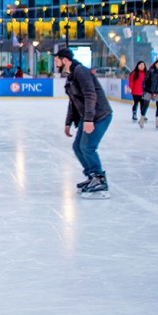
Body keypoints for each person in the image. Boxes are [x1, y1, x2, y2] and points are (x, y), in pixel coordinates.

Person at [54, 47, 113, 200]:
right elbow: (73, 102)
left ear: (65, 60)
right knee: (78, 147)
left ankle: (99, 179)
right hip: (87, 116)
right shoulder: (71, 75)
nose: (55, 64)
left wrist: (88, 119)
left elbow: (90, 94)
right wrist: (68, 123)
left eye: (57, 61)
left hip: (99, 115)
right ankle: (92, 176)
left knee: (87, 147)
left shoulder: (81, 71)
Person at [139, 58, 158, 130]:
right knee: (146, 105)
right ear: (155, 64)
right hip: (149, 91)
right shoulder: (151, 71)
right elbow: (145, 81)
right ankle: (142, 120)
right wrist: (145, 89)